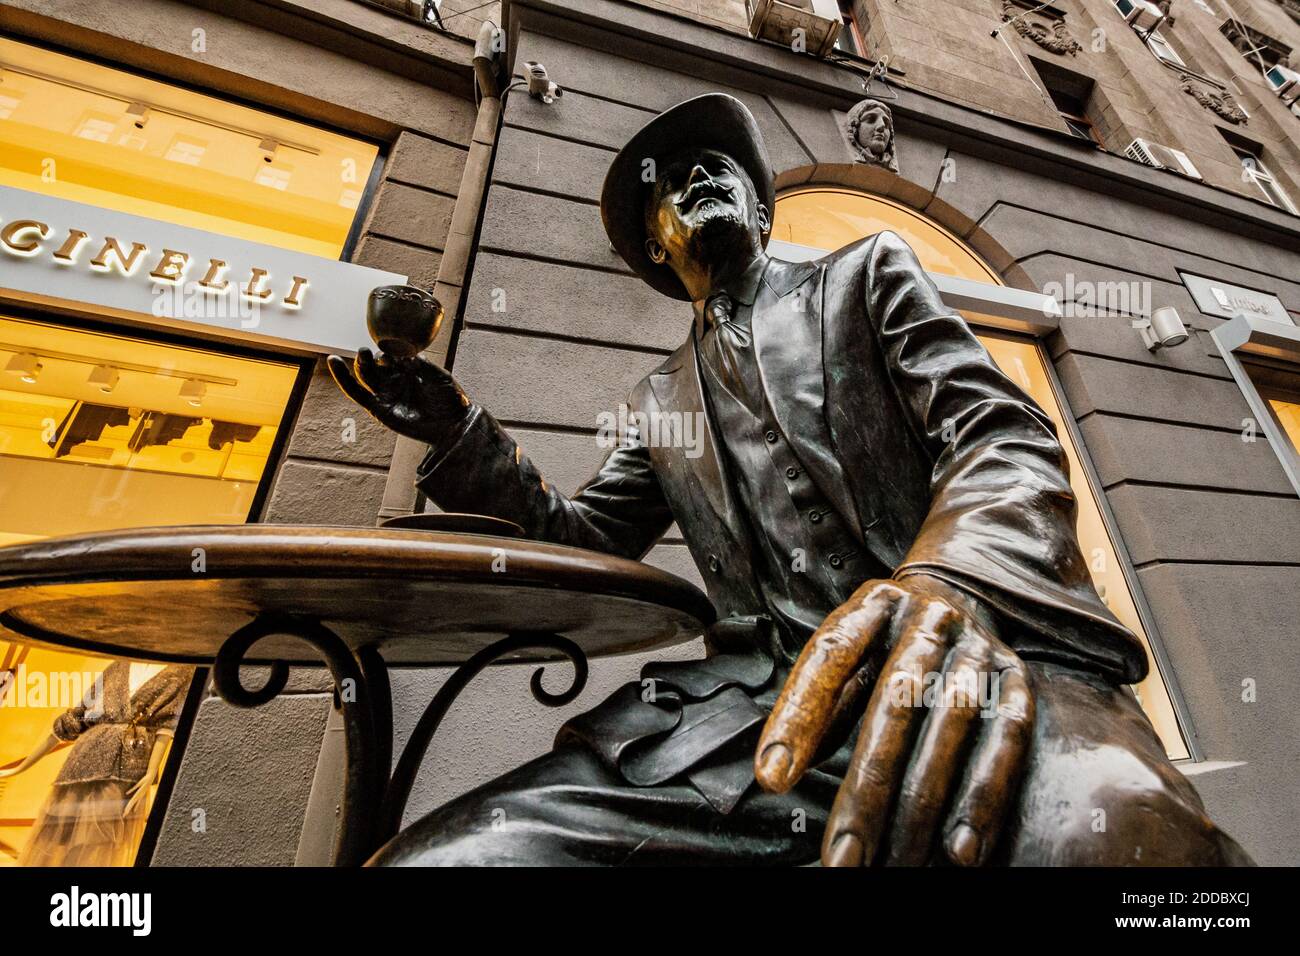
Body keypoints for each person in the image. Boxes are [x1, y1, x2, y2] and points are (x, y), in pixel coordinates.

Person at [331, 94, 1250, 866]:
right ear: (657, 251)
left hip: (973, 650)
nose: (697, 177)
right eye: (673, 182)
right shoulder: (659, 400)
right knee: (443, 858)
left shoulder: (866, 277)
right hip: (753, 718)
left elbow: (1001, 432)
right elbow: (588, 538)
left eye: (719, 168)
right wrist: (464, 435)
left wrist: (948, 585)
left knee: (1126, 838)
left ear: (765, 214)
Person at [0, 661, 190, 866]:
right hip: (81, 761)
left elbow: (166, 725)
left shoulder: (182, 671)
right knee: (60, 836)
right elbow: (75, 718)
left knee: (97, 841)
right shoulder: (119, 665)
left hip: (128, 765)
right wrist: (21, 767)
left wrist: (151, 771)